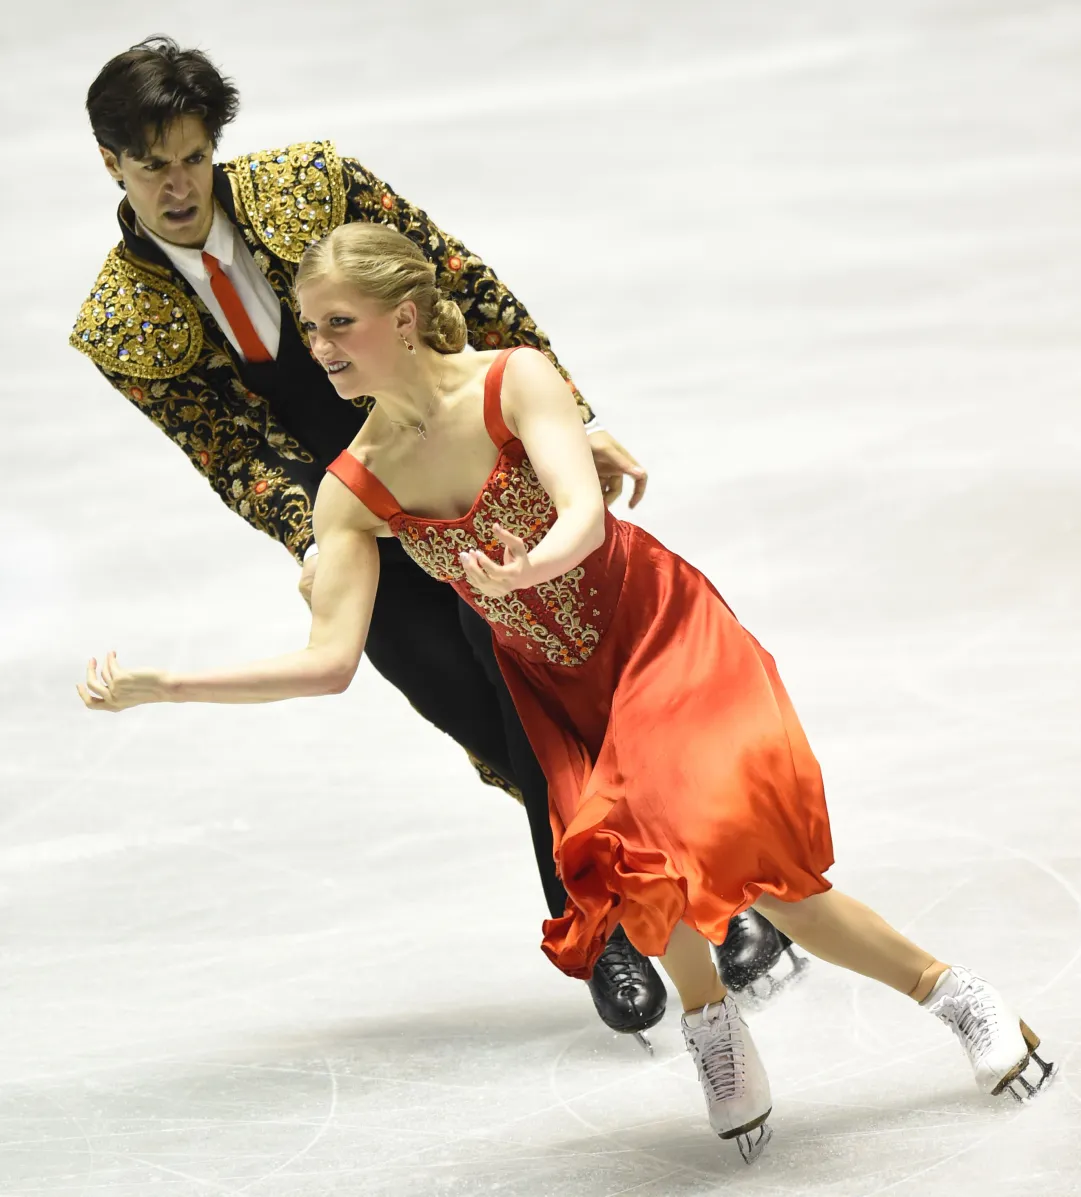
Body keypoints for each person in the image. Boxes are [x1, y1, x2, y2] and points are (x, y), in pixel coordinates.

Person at [78, 224, 1055, 1161]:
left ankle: (952, 992)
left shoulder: (514, 380)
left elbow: (584, 512)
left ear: (406, 317)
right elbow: (327, 662)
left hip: (654, 629)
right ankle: (714, 1030)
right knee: (629, 871)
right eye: (313, 326)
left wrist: (523, 569)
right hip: (552, 689)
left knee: (733, 852)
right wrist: (164, 683)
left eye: (340, 323)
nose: (320, 346)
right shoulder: (353, 487)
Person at [69, 34, 668, 1042]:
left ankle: (602, 927)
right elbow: (225, 445)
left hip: (461, 472)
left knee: (533, 701)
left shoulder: (313, 184)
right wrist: (316, 539)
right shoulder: (121, 320)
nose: (176, 187)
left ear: (214, 146)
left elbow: (459, 288)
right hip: (350, 518)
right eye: (149, 166)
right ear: (111, 165)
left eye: (190, 158)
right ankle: (685, 893)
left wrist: (567, 409)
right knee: (476, 716)